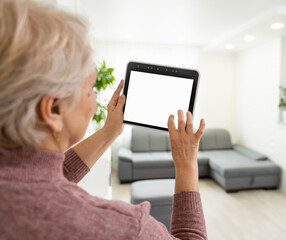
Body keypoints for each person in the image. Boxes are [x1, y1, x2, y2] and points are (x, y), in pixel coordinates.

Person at [0, 0, 207, 239]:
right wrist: (186, 164)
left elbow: (47, 175)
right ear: (53, 109)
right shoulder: (122, 227)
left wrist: (110, 131)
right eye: (90, 90)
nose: (94, 101)